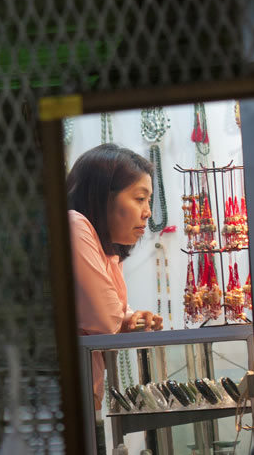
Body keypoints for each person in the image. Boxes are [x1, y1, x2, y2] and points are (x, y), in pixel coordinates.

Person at [66, 143, 164, 412]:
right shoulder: (74, 226)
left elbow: (111, 318)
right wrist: (123, 319)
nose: (147, 212)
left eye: (148, 200)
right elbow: (106, 321)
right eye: (139, 198)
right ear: (102, 196)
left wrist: (131, 319)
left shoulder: (106, 247)